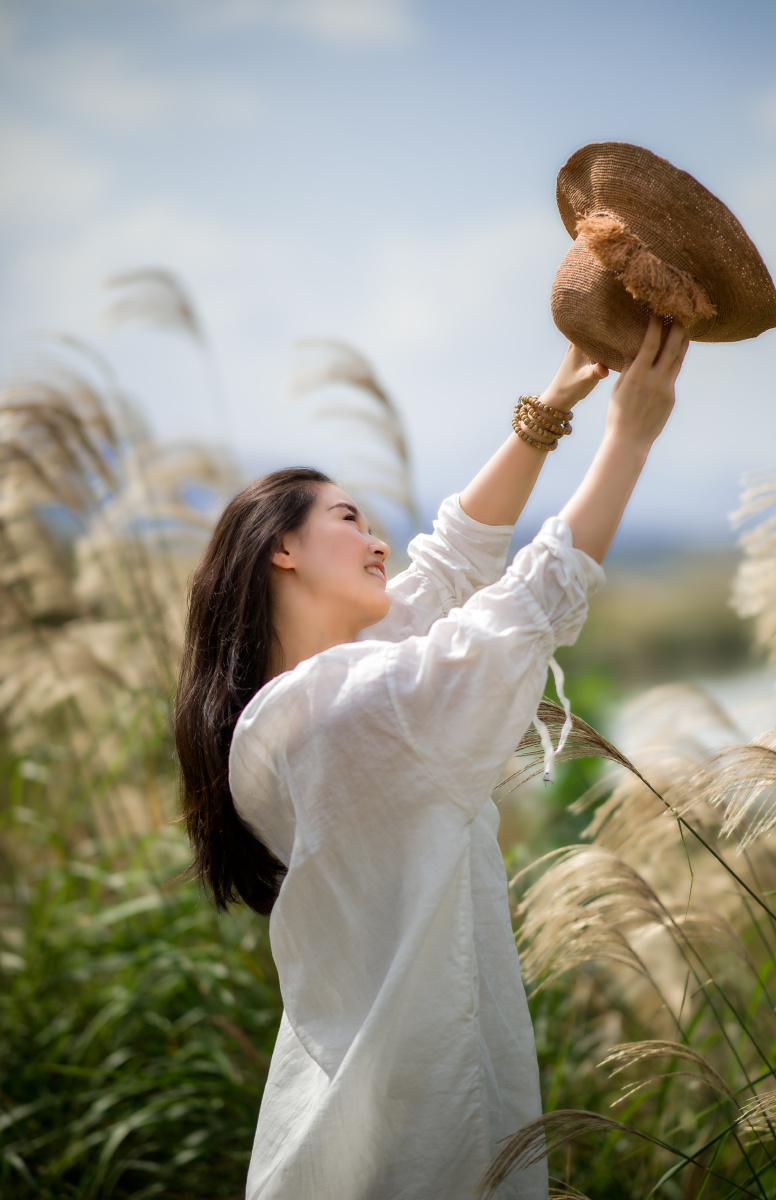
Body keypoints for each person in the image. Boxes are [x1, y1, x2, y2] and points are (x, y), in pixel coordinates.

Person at [175, 314, 689, 1199]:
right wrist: (628, 439)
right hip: (401, 1143)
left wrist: (549, 408)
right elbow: (522, 607)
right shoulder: (331, 716)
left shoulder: (310, 709)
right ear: (281, 549)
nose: (379, 542)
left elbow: (450, 566)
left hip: (365, 1123)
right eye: (349, 520)